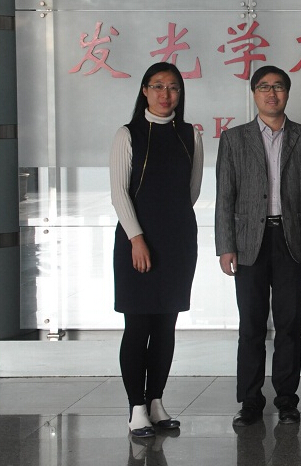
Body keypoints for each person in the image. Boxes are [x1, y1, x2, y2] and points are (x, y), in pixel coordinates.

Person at [215, 65, 301, 427]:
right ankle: (250, 401)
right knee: (251, 325)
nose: (271, 93)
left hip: (292, 240)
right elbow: (224, 197)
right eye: (264, 87)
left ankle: (287, 400)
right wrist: (225, 245)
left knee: (289, 324)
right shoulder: (234, 139)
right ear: (254, 94)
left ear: (287, 93)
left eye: (278, 87)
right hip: (250, 242)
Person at [110, 62, 203, 437]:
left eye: (174, 87)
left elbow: (191, 190)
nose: (166, 94)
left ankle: (156, 402)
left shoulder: (190, 135)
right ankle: (136, 407)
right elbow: (119, 193)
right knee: (138, 325)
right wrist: (137, 237)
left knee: (166, 324)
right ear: (145, 90)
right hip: (136, 241)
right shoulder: (128, 134)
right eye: (158, 86)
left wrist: (172, 226)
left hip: (177, 242)